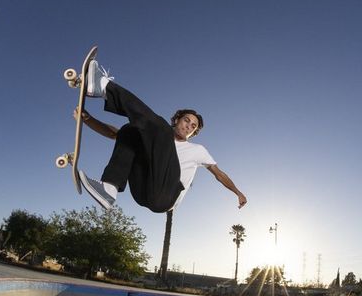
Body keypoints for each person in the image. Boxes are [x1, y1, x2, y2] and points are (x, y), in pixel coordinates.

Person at [75, 57, 247, 214]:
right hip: (142, 191)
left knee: (162, 130)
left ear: (194, 133)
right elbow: (115, 134)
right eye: (187, 121)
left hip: (165, 197)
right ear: (177, 120)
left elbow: (219, 173)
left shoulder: (198, 150)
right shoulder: (156, 137)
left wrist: (237, 192)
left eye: (193, 127)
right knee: (130, 131)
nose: (189, 126)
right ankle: (109, 188)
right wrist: (88, 119)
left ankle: (104, 88)